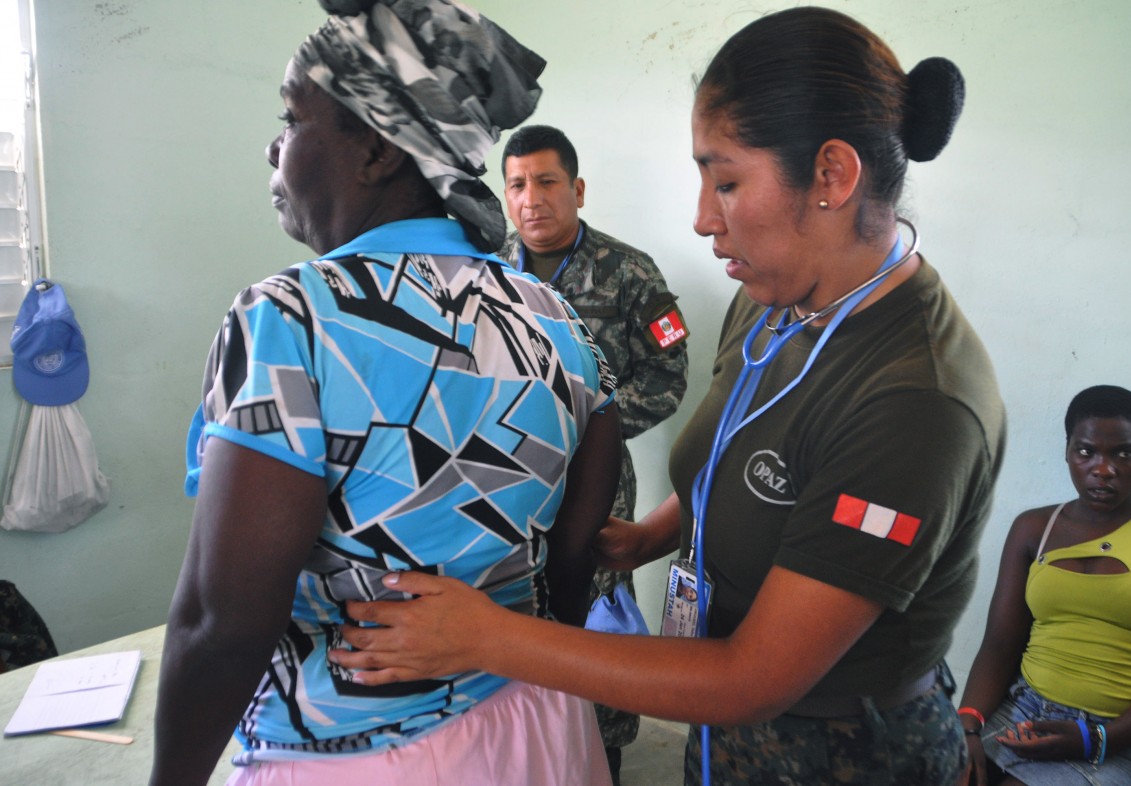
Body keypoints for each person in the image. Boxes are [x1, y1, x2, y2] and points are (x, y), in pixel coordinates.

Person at [329, 6, 1007, 785]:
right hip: (727, 737)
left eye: (726, 180)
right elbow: (757, 453)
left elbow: (753, 679)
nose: (701, 218)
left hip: (840, 752)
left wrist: (484, 639)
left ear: (832, 176)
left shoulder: (914, 401)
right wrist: (650, 535)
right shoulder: (775, 301)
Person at [149, 2, 621, 785]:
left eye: (292, 118)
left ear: (374, 150)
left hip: (355, 759)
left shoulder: (290, 318)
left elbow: (221, 623)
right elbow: (576, 545)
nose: (275, 143)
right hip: (539, 727)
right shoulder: (553, 314)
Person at [500, 123, 690, 782]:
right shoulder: (483, 270)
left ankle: (601, 754)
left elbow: (668, 378)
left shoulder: (630, 272)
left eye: (548, 181)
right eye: (518, 185)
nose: (533, 199)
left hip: (597, 483)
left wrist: (587, 429)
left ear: (576, 189)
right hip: (501, 483)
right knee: (513, 615)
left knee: (593, 618)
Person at [957, 385, 1131, 786]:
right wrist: (968, 724)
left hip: (1125, 737)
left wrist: (1096, 739)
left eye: (1123, 453)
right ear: (1067, 451)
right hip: (1023, 714)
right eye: (1086, 451)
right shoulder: (1034, 529)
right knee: (935, 768)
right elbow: (1000, 644)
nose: (1103, 468)